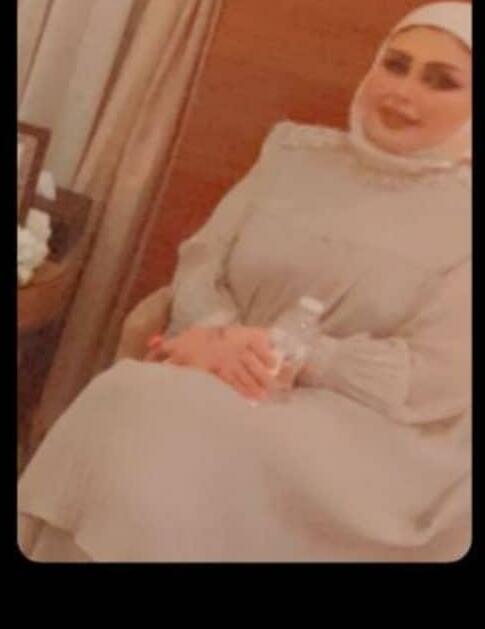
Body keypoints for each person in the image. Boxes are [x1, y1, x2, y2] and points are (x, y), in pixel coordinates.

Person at [18, 2, 472, 562]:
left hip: (359, 435)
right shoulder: (294, 156)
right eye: (396, 65)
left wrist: (286, 353)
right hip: (216, 374)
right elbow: (203, 260)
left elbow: (434, 380)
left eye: (441, 81)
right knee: (133, 400)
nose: (403, 92)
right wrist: (218, 335)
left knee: (150, 407)